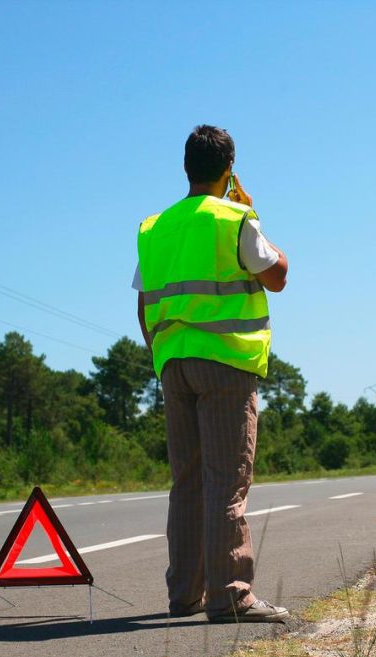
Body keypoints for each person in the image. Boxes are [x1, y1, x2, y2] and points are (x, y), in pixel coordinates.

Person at [133, 125, 290, 623]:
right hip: (225, 364)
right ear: (229, 170)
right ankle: (231, 597)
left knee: (188, 483)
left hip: (173, 364)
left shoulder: (155, 227)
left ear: (185, 167)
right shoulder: (236, 217)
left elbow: (143, 303)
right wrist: (255, 215)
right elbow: (277, 276)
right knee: (227, 483)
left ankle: (185, 594)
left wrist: (161, 354)